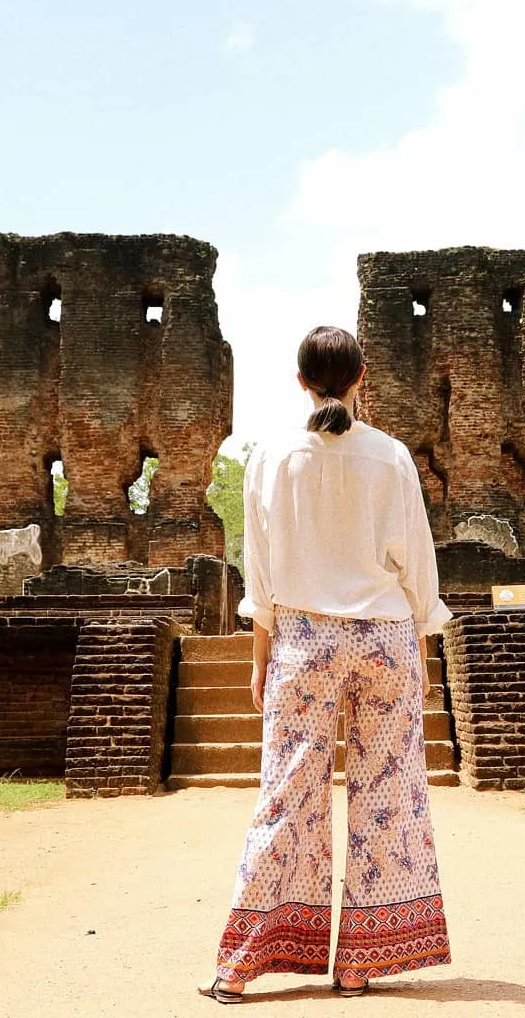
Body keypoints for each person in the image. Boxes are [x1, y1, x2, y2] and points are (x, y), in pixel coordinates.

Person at [199, 325, 452, 1004]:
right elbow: (418, 569)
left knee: (287, 796)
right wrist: (421, 656)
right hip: (386, 638)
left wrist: (262, 660)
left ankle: (242, 965)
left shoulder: (271, 456)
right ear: (361, 375)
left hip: (304, 640)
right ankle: (362, 963)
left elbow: (261, 574)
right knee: (388, 798)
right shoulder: (391, 456)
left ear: (301, 379)